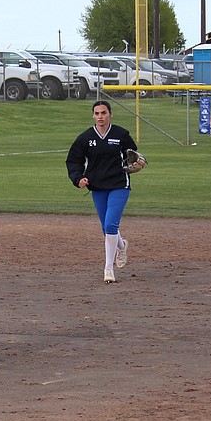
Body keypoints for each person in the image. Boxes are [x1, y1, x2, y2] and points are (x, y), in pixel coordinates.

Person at [65, 100, 143, 284]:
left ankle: (108, 269)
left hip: (119, 185)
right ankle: (122, 245)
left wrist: (136, 161)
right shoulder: (85, 138)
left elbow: (132, 154)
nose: (100, 117)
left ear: (110, 114)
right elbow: (73, 161)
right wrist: (78, 178)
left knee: (110, 226)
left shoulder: (120, 134)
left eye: (104, 113)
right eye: (97, 113)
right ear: (93, 115)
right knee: (107, 229)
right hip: (97, 187)